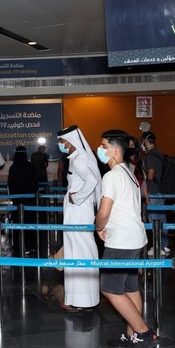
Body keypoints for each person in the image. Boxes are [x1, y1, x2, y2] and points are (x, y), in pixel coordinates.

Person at [95, 130, 158, 348]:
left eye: (103, 146)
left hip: (121, 241)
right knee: (130, 287)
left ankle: (143, 332)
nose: (100, 149)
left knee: (110, 288)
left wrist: (98, 226)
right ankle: (132, 334)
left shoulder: (111, 176)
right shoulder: (129, 172)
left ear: (115, 149)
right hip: (136, 239)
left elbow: (104, 212)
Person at [56, 125, 101, 311]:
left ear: (72, 141)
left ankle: (83, 300)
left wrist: (77, 197)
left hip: (79, 212)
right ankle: (78, 298)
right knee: (75, 250)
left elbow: (92, 180)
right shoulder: (76, 158)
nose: (61, 145)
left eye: (63, 141)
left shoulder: (79, 160)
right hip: (77, 211)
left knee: (81, 251)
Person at [141, 132, 170, 256]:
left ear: (146, 142)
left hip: (153, 191)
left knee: (155, 220)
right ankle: (164, 245)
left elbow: (150, 175)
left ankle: (159, 246)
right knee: (162, 218)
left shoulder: (151, 156)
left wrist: (144, 179)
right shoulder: (159, 154)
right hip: (160, 191)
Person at [7, 146, 38, 256]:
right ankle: (30, 247)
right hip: (29, 201)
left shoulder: (13, 168)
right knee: (29, 223)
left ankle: (17, 247)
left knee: (17, 224)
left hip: (17, 200)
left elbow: (10, 184)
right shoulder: (30, 167)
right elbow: (35, 184)